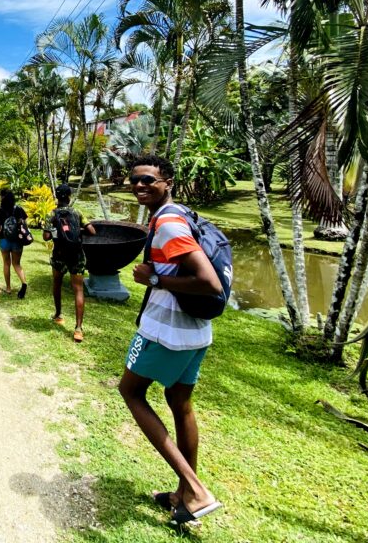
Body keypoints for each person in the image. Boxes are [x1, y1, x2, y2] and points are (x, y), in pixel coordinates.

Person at [118, 154, 223, 525]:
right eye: (134, 180)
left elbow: (208, 281)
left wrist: (155, 280)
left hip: (166, 330)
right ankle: (182, 495)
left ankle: (195, 489)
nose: (140, 185)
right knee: (180, 402)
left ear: (168, 182)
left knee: (130, 391)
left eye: (148, 179)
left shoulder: (168, 223)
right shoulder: (182, 214)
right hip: (196, 331)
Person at [42, 183, 95, 343]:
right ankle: (78, 329)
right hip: (76, 255)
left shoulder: (51, 214)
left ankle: (58, 315)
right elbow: (92, 231)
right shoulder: (77, 212)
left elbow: (45, 237)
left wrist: (56, 232)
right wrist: (77, 231)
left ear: (56, 197)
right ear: (69, 196)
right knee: (78, 289)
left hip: (59, 254)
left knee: (57, 283)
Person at [0, 188, 29, 298]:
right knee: (16, 264)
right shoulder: (19, 209)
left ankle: (8, 288)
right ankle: (24, 282)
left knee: (6, 263)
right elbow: (24, 224)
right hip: (17, 241)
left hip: (4, 241)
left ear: (2, 198)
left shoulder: (0, 211)